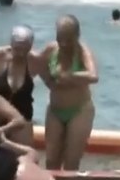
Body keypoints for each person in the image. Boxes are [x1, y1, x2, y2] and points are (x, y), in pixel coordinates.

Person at [37, 16, 98, 170]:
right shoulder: (51, 49)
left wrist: (69, 76)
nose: (63, 44)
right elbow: (36, 63)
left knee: (71, 162)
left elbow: (93, 76)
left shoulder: (83, 51)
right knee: (51, 161)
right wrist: (49, 82)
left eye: (68, 39)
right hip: (55, 110)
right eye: (60, 39)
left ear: (77, 36)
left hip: (79, 110)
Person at [0, 25, 38, 146]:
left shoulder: (34, 61)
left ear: (30, 46)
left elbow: (53, 82)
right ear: (11, 44)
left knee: (26, 156)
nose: (21, 53)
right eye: (18, 48)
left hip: (22, 117)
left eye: (25, 49)